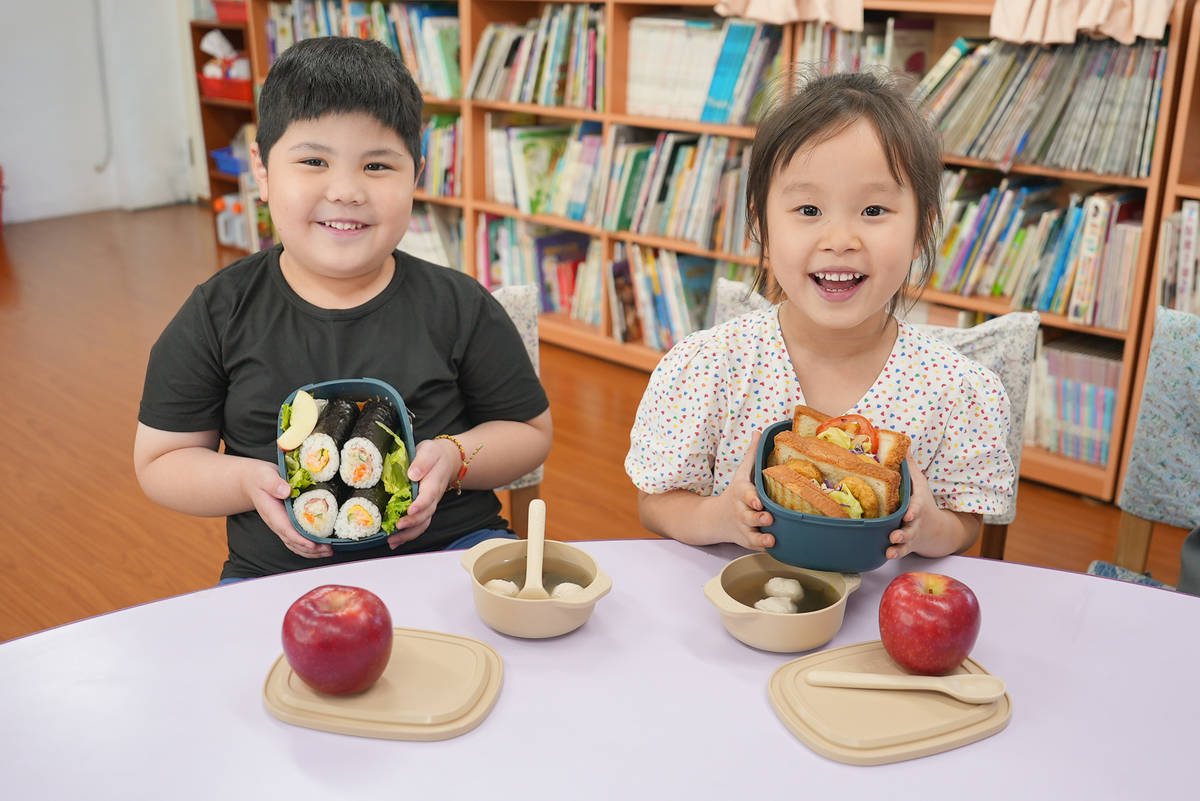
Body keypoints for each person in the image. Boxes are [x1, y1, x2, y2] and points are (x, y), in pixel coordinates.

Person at [134, 38, 551, 582]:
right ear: (261, 170)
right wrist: (244, 482)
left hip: (454, 548)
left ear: (416, 176)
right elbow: (161, 462)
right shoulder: (217, 314)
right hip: (276, 575)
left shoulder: (458, 304)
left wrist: (453, 457)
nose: (347, 190)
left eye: (377, 165)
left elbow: (529, 432)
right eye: (313, 161)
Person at [625, 70, 1014, 559]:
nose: (840, 240)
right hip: (741, 614)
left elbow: (965, 522)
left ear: (923, 229)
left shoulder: (956, 391)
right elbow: (656, 502)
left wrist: (931, 526)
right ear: (760, 223)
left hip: (881, 619)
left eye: (873, 211)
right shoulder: (709, 367)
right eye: (808, 210)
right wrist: (719, 516)